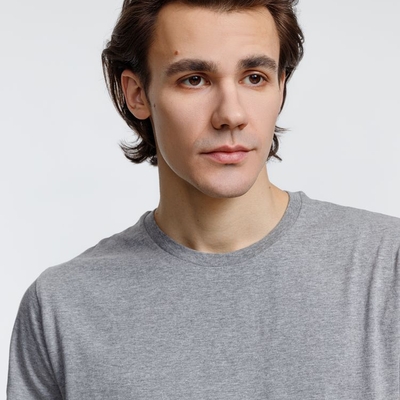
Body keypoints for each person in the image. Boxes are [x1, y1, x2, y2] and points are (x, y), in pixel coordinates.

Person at [7, 0, 400, 398]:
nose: (231, 114)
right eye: (194, 79)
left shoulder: (387, 266)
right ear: (137, 93)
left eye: (254, 77)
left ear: (281, 86)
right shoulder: (61, 307)